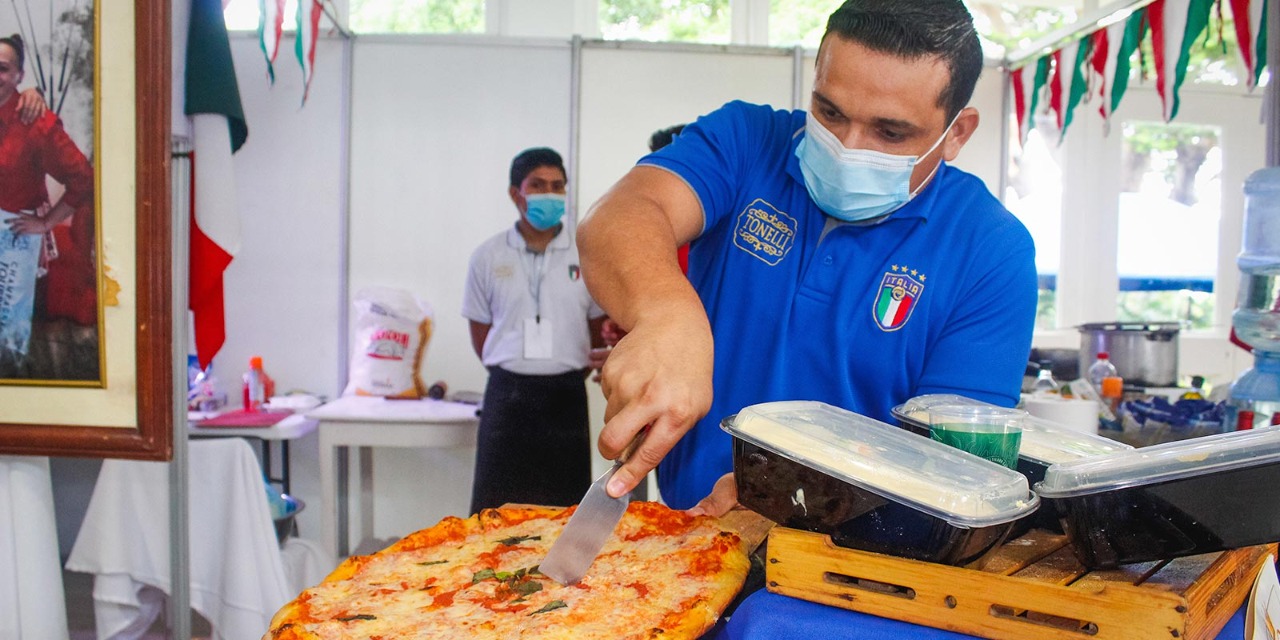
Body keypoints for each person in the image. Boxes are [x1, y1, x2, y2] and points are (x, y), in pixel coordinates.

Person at [577, 0, 1038, 514]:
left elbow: (957, 471)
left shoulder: (991, 249)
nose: (847, 147)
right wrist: (666, 315)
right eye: (830, 112)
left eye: (889, 132)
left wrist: (799, 496)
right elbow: (619, 216)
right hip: (688, 529)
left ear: (957, 132)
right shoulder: (746, 141)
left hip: (860, 566)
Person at [462, 147, 607, 512]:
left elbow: (596, 325)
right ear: (516, 193)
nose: (550, 194)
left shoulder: (586, 252)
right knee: (493, 513)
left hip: (566, 398)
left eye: (557, 186)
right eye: (538, 185)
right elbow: (481, 333)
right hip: (507, 396)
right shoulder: (488, 256)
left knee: (564, 513)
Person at [0, 33, 96, 379]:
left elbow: (83, 179)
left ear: (18, 75)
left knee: (7, 352)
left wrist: (46, 223)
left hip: (12, 249)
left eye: (3, 69)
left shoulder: (35, 123)